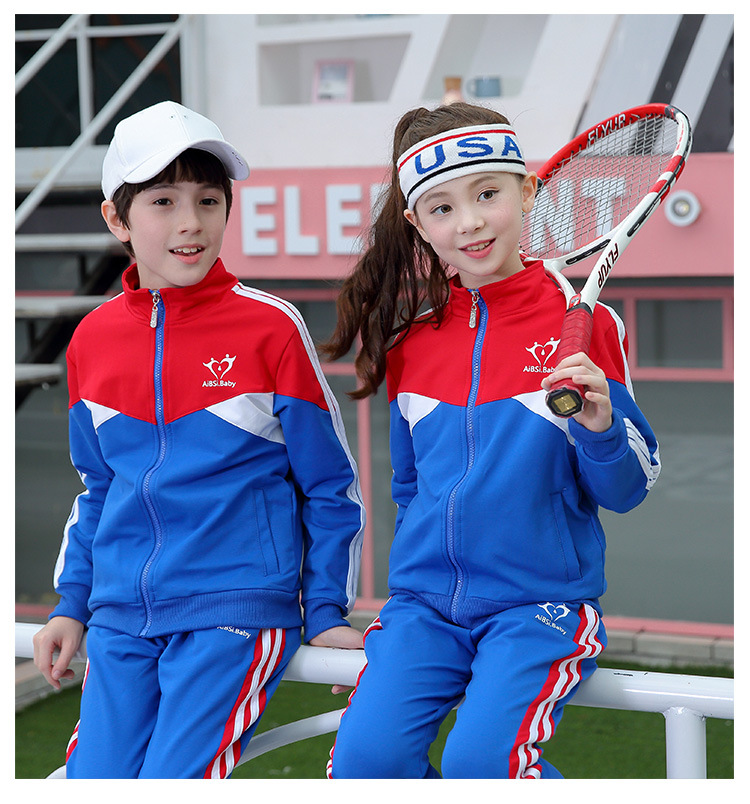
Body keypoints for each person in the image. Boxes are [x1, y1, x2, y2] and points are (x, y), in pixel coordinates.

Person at [321, 102, 661, 779]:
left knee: (484, 766)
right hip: (422, 611)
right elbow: (411, 489)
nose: (470, 222)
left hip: (539, 607)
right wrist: (402, 614)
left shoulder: (587, 327)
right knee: (365, 765)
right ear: (417, 223)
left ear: (528, 191)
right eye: (442, 208)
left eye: (486, 194)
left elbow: (629, 488)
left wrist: (599, 429)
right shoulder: (411, 342)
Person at [32, 100, 366, 779]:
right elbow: (98, 488)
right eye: (163, 202)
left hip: (235, 611)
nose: (191, 223)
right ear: (117, 219)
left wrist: (327, 608)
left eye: (208, 201)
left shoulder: (271, 327)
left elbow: (332, 487)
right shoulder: (92, 339)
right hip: (121, 616)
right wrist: (72, 605)